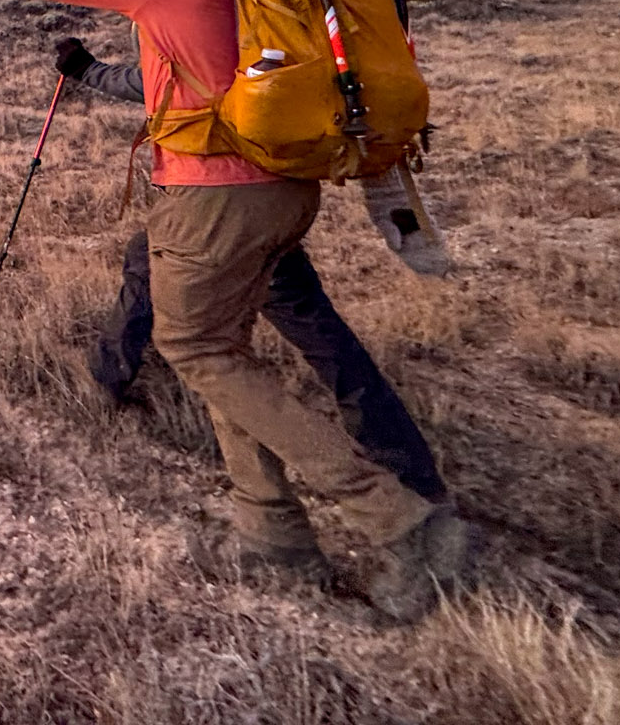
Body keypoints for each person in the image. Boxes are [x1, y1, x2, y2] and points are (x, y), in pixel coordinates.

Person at [0, 0, 465, 620]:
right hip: (282, 186)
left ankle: (399, 521)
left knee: (199, 351)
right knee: (225, 351)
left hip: (212, 197)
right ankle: (271, 533)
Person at [54, 35, 447, 506]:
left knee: (209, 331)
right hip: (272, 189)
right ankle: (407, 465)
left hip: (222, 200)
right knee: (309, 322)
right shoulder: (270, 7)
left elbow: (164, 85)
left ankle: (387, 501)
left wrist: (88, 72)